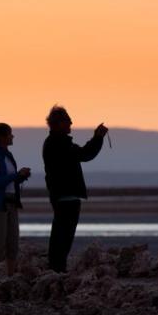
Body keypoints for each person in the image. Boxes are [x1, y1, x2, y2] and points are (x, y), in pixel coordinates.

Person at [42, 105, 108, 272]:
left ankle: (57, 269)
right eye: (67, 120)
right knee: (62, 236)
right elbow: (84, 154)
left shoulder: (58, 143)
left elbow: (83, 154)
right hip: (65, 197)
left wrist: (97, 138)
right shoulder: (58, 144)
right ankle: (56, 269)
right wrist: (97, 138)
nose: (71, 123)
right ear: (58, 124)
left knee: (63, 235)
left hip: (65, 197)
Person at [0, 122, 31, 280]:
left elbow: (9, 180)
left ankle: (10, 275)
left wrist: (21, 176)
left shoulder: (8, 155)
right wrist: (16, 176)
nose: (12, 136)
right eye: (10, 134)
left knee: (13, 240)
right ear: (2, 137)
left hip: (11, 202)